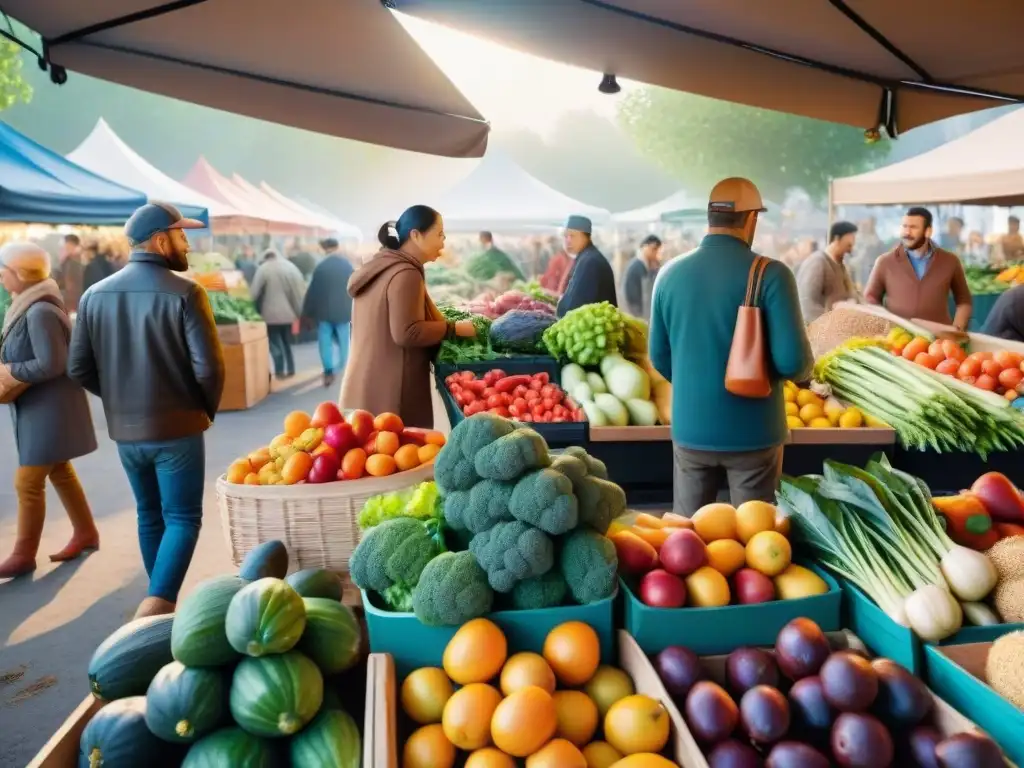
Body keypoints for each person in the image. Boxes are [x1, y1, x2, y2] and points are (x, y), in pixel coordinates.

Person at [68, 202, 224, 618]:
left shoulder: (92, 295)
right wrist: (204, 410)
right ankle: (156, 607)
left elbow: (78, 367)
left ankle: (160, 608)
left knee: (149, 514)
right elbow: (208, 368)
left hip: (127, 433)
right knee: (183, 518)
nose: (187, 242)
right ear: (161, 240)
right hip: (178, 429)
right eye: (181, 234)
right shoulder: (187, 292)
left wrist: (121, 401)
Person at [649, 178, 813, 516]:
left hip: (690, 428)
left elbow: (659, 357)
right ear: (752, 218)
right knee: (753, 542)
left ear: (710, 217)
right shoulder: (772, 275)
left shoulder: (668, 274)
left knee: (687, 537)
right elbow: (793, 362)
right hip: (752, 432)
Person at [0, 244, 99, 578]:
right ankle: (86, 533)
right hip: (44, 407)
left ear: (21, 273)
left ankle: (23, 554)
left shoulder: (39, 310)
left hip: (49, 408)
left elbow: (52, 363)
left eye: (4, 269)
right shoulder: (29, 304)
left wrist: (10, 370)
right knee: (60, 470)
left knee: (28, 482)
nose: (0, 275)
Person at [342, 205, 475, 427]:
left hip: (367, 389)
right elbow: (407, 332)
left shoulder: (381, 267)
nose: (443, 242)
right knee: (399, 457)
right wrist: (455, 328)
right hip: (392, 396)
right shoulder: (406, 274)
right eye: (439, 234)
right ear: (416, 235)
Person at [864, 206, 973, 330]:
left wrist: (956, 329)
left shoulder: (950, 261)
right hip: (897, 340)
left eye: (913, 227)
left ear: (928, 231)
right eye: (904, 226)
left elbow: (964, 301)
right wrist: (883, 325)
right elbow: (870, 298)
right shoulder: (885, 262)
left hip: (938, 341)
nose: (907, 232)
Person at [303, 238, 354, 388]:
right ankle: (343, 367)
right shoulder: (347, 266)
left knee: (325, 342)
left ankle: (328, 370)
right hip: (343, 311)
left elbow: (313, 291)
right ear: (337, 247)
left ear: (325, 249)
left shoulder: (321, 267)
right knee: (344, 340)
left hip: (324, 312)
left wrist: (308, 311)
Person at [250, 249, 306, 380]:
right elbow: (299, 292)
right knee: (287, 342)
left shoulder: (263, 269)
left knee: (275, 343)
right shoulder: (291, 267)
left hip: (271, 315)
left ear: (265, 258)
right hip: (289, 314)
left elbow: (253, 293)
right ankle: (291, 369)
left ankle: (280, 370)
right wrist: (299, 313)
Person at [797, 221, 859, 323]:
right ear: (836, 239)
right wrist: (829, 325)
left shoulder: (841, 266)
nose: (850, 250)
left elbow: (852, 295)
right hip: (821, 333)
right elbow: (806, 304)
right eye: (848, 245)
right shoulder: (817, 262)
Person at [556, 215, 617, 317]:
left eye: (573, 236)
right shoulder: (586, 257)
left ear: (586, 237)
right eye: (565, 236)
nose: (568, 240)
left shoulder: (590, 262)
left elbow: (574, 306)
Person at [620, 234, 663, 321]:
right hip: (637, 316)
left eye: (657, 250)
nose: (655, 253)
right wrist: (639, 318)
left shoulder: (650, 266)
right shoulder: (636, 267)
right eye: (653, 249)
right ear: (644, 247)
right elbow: (631, 296)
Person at [57, 234, 85, 313]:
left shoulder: (73, 262)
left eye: (64, 245)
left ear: (70, 245)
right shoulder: (70, 261)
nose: (63, 248)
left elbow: (72, 287)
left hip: (71, 305)